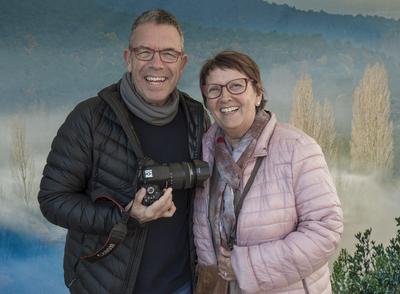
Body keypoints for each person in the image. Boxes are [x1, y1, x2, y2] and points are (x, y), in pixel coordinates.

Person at [38, 9, 209, 294]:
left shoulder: (196, 116)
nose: (156, 64)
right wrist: (125, 218)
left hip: (182, 284)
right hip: (105, 285)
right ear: (128, 59)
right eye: (145, 52)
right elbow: (53, 200)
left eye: (168, 53)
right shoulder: (90, 118)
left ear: (182, 63)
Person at [193, 51, 343, 293]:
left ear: (258, 93)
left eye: (236, 86)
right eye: (214, 90)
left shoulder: (296, 148)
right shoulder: (203, 153)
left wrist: (243, 266)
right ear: (207, 100)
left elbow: (326, 230)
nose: (225, 97)